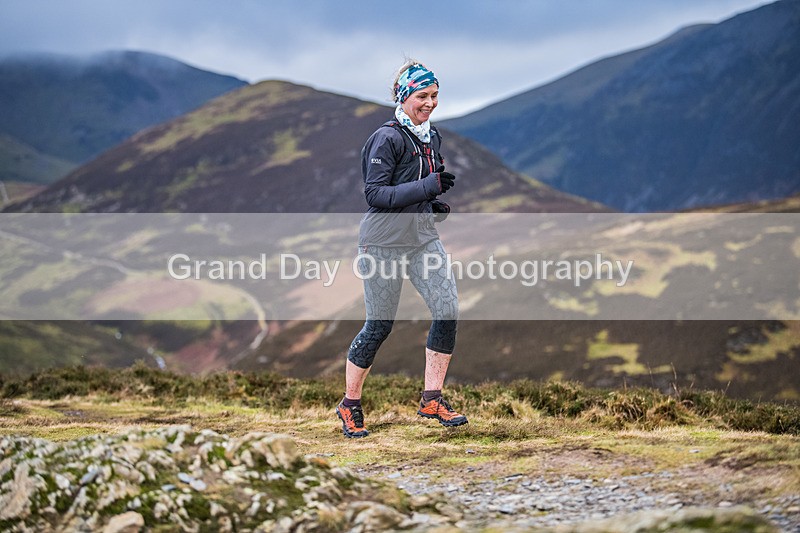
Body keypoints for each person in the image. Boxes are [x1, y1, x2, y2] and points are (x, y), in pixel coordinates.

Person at [335, 60, 467, 438]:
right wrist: (428, 189)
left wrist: (432, 206)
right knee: (379, 325)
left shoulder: (432, 136)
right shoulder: (386, 138)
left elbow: (419, 185)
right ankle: (350, 405)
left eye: (435, 96)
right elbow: (375, 193)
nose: (430, 103)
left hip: (422, 238)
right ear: (404, 96)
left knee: (447, 310)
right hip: (382, 243)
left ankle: (431, 399)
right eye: (423, 96)